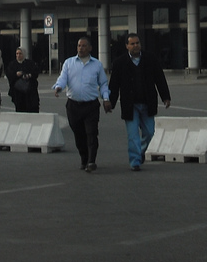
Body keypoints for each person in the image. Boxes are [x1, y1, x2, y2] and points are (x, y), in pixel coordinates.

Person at [105, 33, 171, 171]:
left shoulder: (150, 59)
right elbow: (114, 85)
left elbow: (160, 78)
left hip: (147, 103)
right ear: (127, 46)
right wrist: (110, 102)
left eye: (137, 43)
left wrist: (165, 96)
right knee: (133, 135)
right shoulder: (120, 62)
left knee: (150, 133)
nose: (136, 46)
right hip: (130, 105)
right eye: (132, 44)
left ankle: (140, 152)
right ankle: (135, 161)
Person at [53, 37, 110, 172]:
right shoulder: (69, 63)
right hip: (73, 106)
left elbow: (103, 83)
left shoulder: (97, 65)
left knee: (91, 133)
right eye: (79, 45)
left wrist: (106, 98)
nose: (81, 48)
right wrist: (59, 87)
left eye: (84, 46)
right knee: (79, 135)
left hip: (91, 106)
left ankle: (91, 161)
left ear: (90, 48)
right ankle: (84, 159)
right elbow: (62, 78)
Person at [5, 47, 40, 113]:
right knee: (20, 110)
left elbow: (35, 72)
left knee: (32, 108)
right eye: (17, 53)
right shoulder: (13, 64)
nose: (18, 55)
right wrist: (16, 74)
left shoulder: (29, 63)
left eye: (20, 53)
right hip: (18, 93)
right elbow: (9, 74)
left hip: (30, 92)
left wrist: (29, 75)